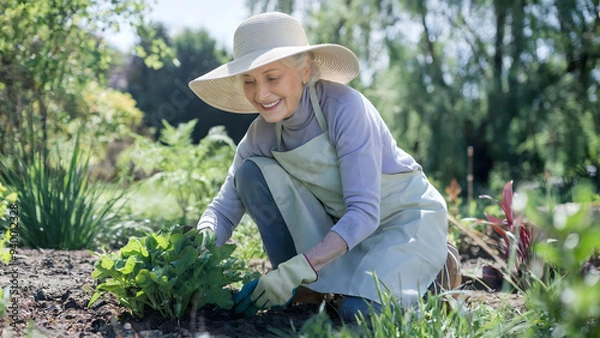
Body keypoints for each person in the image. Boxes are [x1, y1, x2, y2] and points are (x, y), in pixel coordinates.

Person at [188, 11, 456, 322]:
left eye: (272, 77)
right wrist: (201, 248)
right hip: (342, 227)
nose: (261, 94)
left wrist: (299, 268)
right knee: (250, 172)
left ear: (304, 69)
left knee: (361, 315)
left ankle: (434, 276)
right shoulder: (260, 135)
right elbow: (222, 209)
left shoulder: (345, 109)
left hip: (401, 220)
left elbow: (365, 212)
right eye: (249, 81)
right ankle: (305, 294)